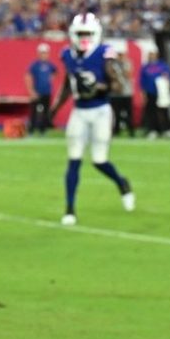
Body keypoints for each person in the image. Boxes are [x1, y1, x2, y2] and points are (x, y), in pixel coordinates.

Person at [50, 12, 135, 225]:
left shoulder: (104, 53)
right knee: (74, 160)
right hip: (79, 111)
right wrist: (54, 109)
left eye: (87, 33)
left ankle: (122, 183)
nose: (83, 38)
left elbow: (119, 84)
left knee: (99, 161)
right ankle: (70, 209)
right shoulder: (68, 55)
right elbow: (68, 85)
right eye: (80, 33)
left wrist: (98, 87)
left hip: (100, 111)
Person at [26, 43, 57, 136]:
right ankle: (31, 130)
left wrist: (50, 79)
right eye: (42, 53)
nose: (44, 55)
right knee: (34, 112)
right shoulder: (35, 65)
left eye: (45, 53)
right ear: (39, 53)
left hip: (47, 92)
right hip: (37, 92)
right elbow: (28, 77)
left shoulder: (50, 65)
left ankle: (42, 130)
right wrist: (31, 91)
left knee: (45, 112)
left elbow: (55, 72)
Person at [138, 50, 170, 138]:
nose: (151, 56)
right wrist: (143, 92)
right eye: (150, 55)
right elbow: (141, 81)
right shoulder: (145, 67)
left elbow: (167, 76)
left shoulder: (162, 65)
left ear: (156, 55)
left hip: (161, 93)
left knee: (163, 111)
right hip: (150, 92)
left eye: (152, 54)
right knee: (151, 112)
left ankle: (165, 129)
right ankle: (152, 130)